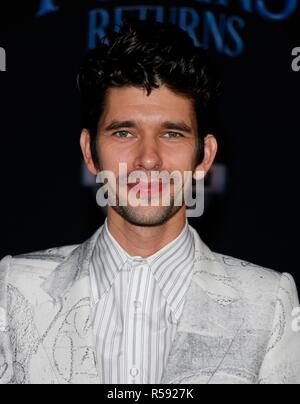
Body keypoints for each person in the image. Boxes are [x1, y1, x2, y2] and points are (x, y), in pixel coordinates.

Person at [0, 20, 299, 385]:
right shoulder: (12, 288)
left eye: (171, 133)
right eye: (124, 132)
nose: (148, 158)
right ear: (89, 152)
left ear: (204, 157)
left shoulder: (269, 303)